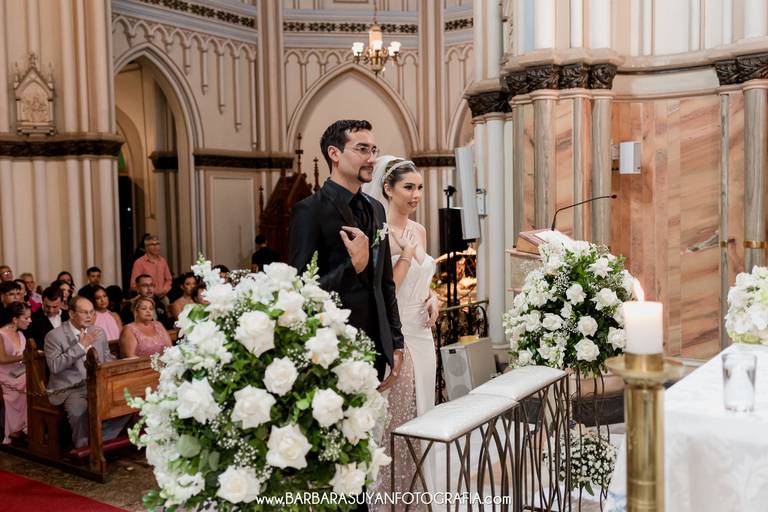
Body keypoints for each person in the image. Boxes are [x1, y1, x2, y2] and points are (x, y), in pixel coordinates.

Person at [288, 119, 404, 384]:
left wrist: (396, 342)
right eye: (362, 149)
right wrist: (354, 267)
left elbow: (385, 283)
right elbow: (301, 291)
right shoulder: (309, 211)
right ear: (334, 153)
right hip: (333, 351)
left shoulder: (377, 208)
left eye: (374, 150)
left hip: (376, 348)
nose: (372, 158)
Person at [363, 156, 440, 503]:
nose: (416, 194)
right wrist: (406, 255)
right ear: (387, 189)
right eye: (408, 187)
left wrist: (433, 297)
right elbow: (383, 290)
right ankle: (391, 498)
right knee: (398, 419)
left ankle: (419, 496)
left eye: (419, 187)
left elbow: (423, 278)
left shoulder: (419, 230)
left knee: (424, 414)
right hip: (398, 335)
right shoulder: (378, 233)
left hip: (424, 336)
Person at [44, 296, 128, 448]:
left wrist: (122, 366)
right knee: (79, 411)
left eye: (91, 312)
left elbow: (107, 358)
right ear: (71, 314)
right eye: (84, 312)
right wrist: (80, 346)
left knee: (128, 402)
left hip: (98, 384)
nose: (89, 316)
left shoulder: (98, 331)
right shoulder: (54, 336)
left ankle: (97, 442)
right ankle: (82, 449)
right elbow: (55, 366)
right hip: (71, 388)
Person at [0, 302, 31, 444]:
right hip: (4, 374)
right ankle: (16, 430)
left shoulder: (21, 334)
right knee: (28, 381)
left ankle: (27, 427)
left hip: (19, 372)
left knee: (32, 378)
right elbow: (2, 359)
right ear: (14, 319)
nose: (30, 321)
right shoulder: (1, 334)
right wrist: (25, 356)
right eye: (26, 318)